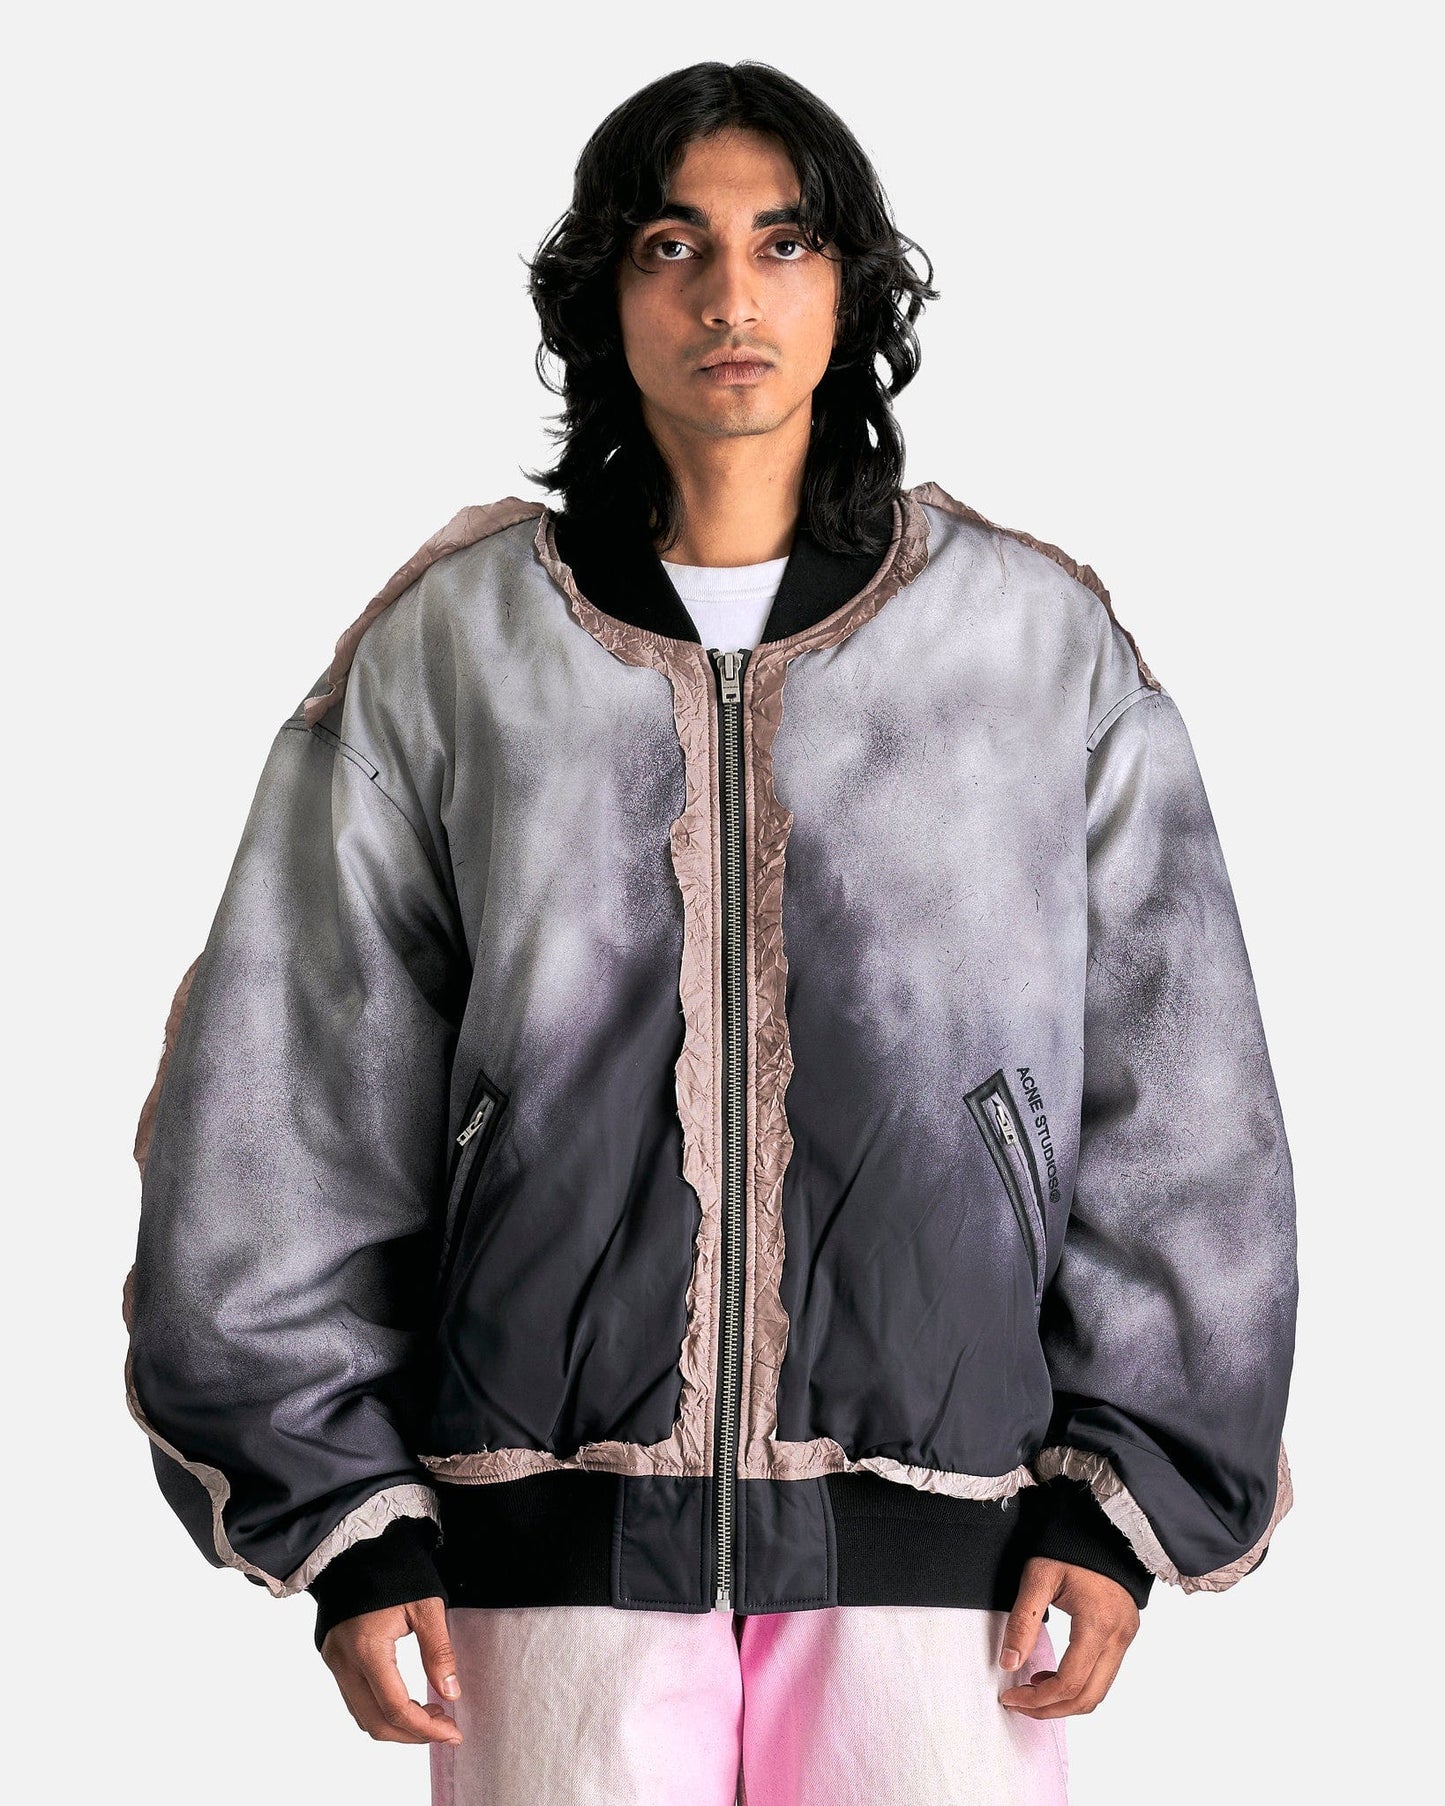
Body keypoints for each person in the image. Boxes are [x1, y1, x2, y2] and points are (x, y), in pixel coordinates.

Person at [123, 59, 1299, 1806]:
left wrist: (1122, 1493)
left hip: (950, 1561)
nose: (729, 294)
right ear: (604, 294)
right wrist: (347, 1515)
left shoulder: (1029, 649)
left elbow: (1183, 1096)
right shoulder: (458, 650)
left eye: (784, 242)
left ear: (852, 290)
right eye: (672, 245)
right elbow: (282, 1088)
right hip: (546, 1559)